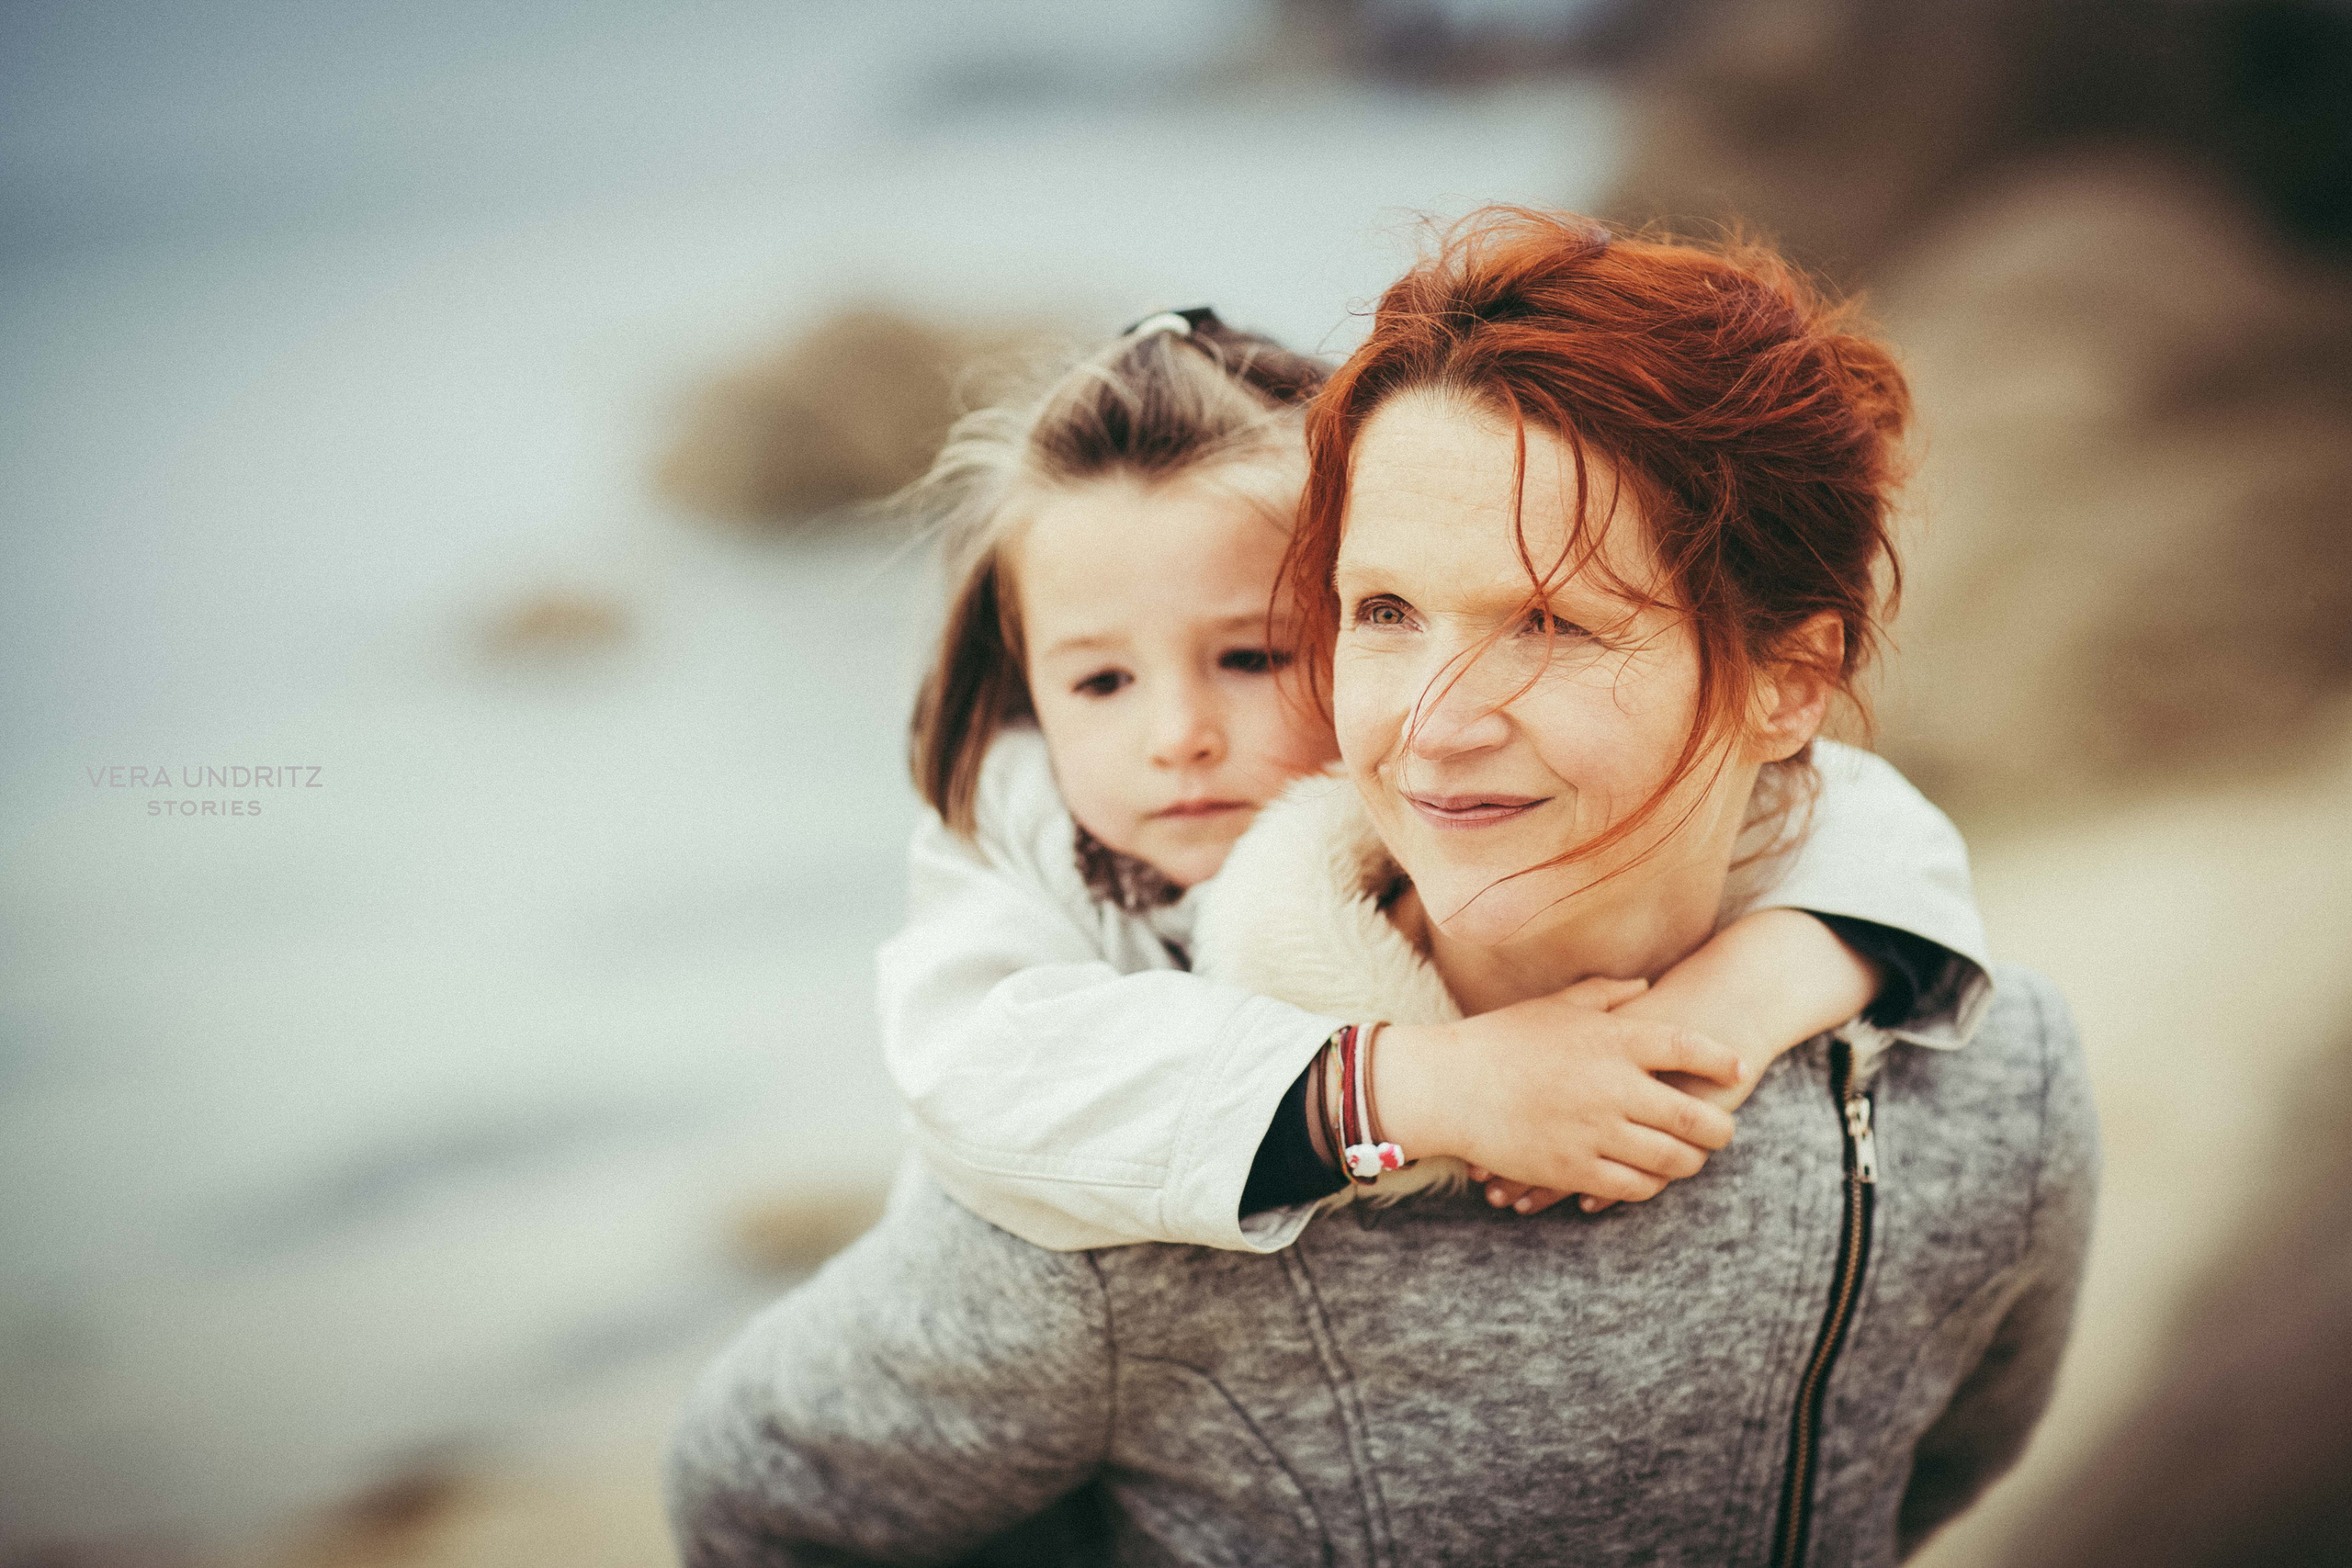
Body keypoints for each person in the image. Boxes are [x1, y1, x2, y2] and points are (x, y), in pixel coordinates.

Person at [670, 210, 2097, 1565]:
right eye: (1385, 611)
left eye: (1546, 620)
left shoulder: (1995, 1091)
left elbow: (1925, 1464)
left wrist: (1752, 996)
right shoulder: (1129, 1174)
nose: (1434, 721)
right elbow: (770, 1493)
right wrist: (1403, 1091)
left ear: (1788, 679)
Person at [880, 304, 1987, 1253]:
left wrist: (1738, 1002)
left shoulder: (1425, 786)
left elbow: (1861, 822)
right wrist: (1436, 1086)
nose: (1177, 736)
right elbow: (973, 1081)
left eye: (1254, 657)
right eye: (1100, 682)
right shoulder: (1020, 836)